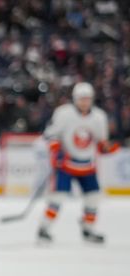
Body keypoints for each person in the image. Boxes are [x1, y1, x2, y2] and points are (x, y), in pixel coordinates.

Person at [37, 82, 118, 244]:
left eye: (87, 99)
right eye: (81, 99)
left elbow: (101, 142)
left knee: (94, 197)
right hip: (66, 165)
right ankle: (44, 228)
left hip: (87, 165)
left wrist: (106, 148)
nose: (84, 102)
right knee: (57, 198)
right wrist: (58, 151)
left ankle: (88, 229)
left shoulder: (99, 117)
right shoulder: (63, 113)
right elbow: (50, 136)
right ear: (75, 99)